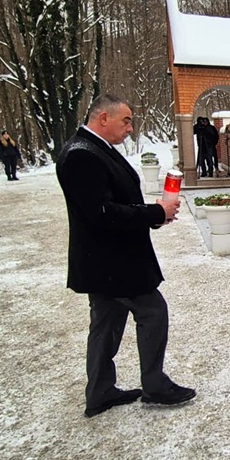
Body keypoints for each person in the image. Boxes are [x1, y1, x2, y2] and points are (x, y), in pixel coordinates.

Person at [56, 93, 196, 418]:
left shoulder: (94, 148)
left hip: (106, 261)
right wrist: (155, 213)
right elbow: (102, 213)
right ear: (103, 118)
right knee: (153, 312)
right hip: (113, 261)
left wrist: (155, 215)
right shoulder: (82, 155)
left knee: (106, 324)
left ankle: (100, 391)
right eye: (126, 121)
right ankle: (154, 385)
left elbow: (115, 201)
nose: (130, 128)